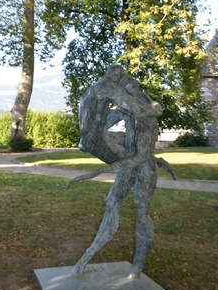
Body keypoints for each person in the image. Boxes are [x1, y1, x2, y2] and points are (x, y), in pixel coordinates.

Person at [69, 64, 171, 278]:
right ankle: (86, 258)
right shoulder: (130, 110)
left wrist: (96, 172)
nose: (123, 90)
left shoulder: (145, 116)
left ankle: (137, 267)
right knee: (111, 204)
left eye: (127, 85)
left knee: (141, 212)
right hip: (131, 162)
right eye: (122, 85)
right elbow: (113, 127)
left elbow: (141, 156)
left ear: (133, 89)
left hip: (142, 169)